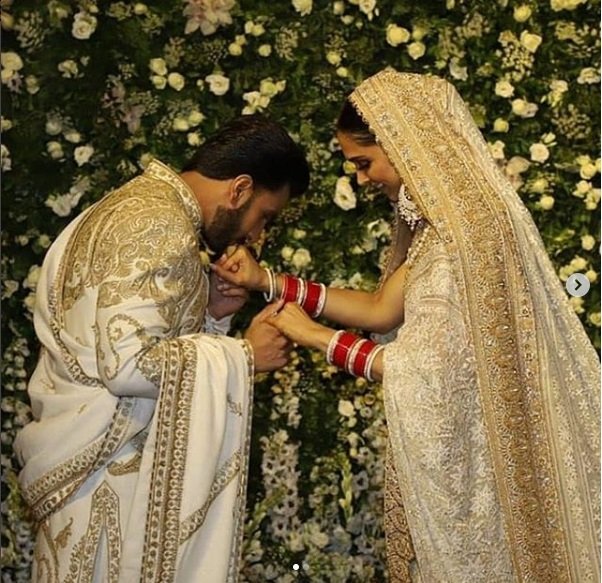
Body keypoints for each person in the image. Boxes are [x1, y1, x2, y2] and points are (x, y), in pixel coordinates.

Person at [211, 69, 600, 582]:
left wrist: (315, 336)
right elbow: (379, 310)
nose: (362, 179)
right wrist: (268, 281)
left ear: (404, 142)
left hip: (486, 472)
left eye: (364, 163)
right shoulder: (455, 232)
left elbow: (422, 374)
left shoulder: (461, 241)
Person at [14, 113, 310, 582]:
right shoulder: (159, 225)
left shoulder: (129, 207)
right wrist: (245, 356)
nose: (256, 236)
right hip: (107, 477)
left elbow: (126, 346)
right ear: (239, 189)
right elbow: (127, 366)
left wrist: (211, 314)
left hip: (88, 467)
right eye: (263, 216)